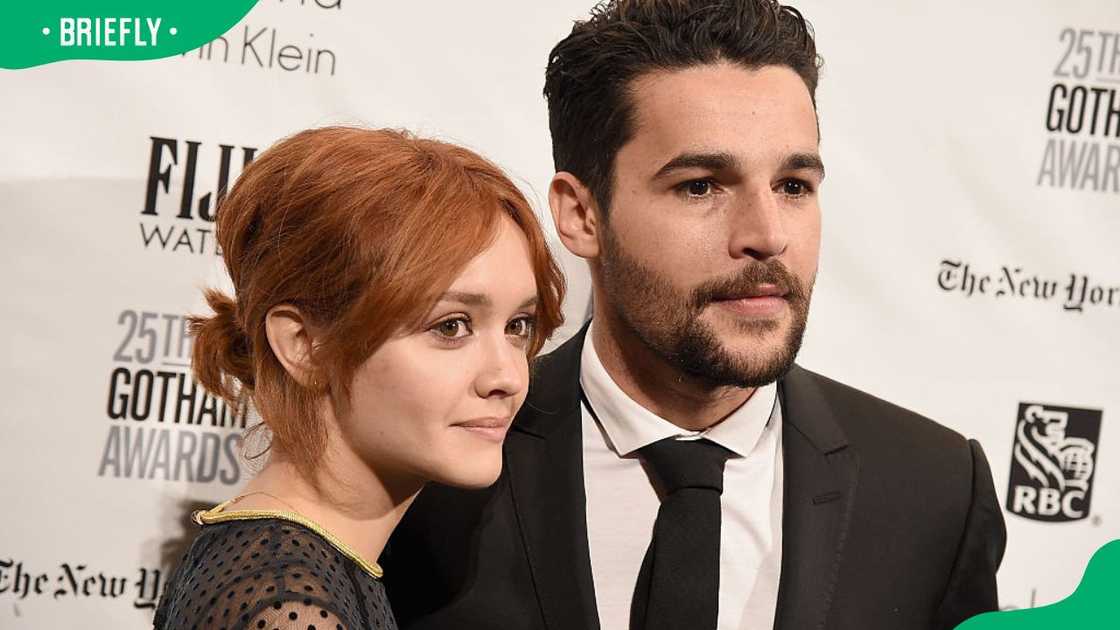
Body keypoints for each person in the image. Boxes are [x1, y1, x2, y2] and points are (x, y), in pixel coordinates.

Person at [381, 2, 1006, 630]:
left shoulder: (937, 490)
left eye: (793, 185)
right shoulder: (431, 471)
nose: (766, 236)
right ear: (581, 214)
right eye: (701, 185)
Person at [154, 126, 565, 630]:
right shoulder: (289, 606)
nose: (507, 376)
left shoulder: (285, 566)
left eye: (518, 326)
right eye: (451, 326)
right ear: (304, 346)